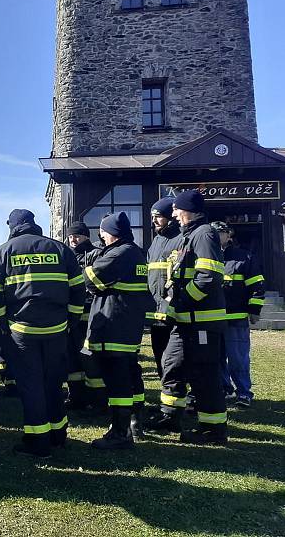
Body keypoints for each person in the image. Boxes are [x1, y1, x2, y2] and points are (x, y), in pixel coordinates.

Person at [0, 209, 84, 458]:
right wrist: (69, 320)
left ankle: (38, 443)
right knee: (53, 383)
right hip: (57, 330)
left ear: (14, 226)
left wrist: (1, 323)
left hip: (22, 332)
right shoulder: (60, 249)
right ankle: (59, 436)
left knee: (31, 386)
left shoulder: (5, 251)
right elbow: (78, 289)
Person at [148, 190, 229, 445]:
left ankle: (213, 429)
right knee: (171, 365)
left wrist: (183, 300)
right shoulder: (188, 236)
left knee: (205, 375)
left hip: (201, 322)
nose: (173, 214)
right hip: (184, 322)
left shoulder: (204, 234)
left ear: (189, 210)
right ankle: (169, 415)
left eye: (176, 209)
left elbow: (208, 276)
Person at [83, 212, 150, 449]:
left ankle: (120, 433)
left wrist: (88, 266)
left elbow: (90, 279)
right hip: (125, 325)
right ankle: (133, 423)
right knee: (130, 375)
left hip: (114, 326)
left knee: (118, 381)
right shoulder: (135, 252)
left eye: (103, 232)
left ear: (112, 232)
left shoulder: (120, 253)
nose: (101, 236)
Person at [211, 221, 263, 408]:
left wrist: (254, 310)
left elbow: (257, 286)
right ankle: (225, 389)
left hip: (236, 318)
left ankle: (243, 393)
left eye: (220, 233)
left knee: (238, 359)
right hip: (212, 319)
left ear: (229, 234)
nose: (216, 237)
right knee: (216, 359)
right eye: (213, 233)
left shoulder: (244, 257)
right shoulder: (206, 257)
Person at [63, 221, 100, 411]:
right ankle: (75, 395)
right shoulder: (66, 256)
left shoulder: (96, 254)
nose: (73, 239)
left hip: (89, 314)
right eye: (70, 236)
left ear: (86, 235)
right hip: (71, 315)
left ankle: (96, 399)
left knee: (90, 357)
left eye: (77, 235)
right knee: (72, 357)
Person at [147, 197, 182, 380]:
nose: (154, 221)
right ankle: (165, 395)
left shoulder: (181, 239)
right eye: (152, 217)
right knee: (159, 355)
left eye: (158, 216)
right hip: (156, 314)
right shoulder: (155, 243)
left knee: (175, 360)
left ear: (170, 217)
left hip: (175, 313)